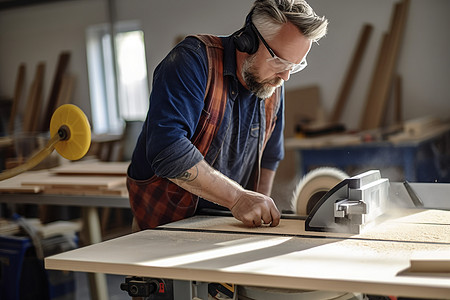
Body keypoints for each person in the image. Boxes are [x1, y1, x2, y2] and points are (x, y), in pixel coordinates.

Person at [127, 0, 328, 232]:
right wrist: (238, 198)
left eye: (294, 66)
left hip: (226, 224)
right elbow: (167, 150)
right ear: (248, 41)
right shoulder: (192, 62)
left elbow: (270, 154)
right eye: (279, 62)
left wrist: (258, 207)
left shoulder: (273, 83)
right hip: (163, 222)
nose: (285, 76)